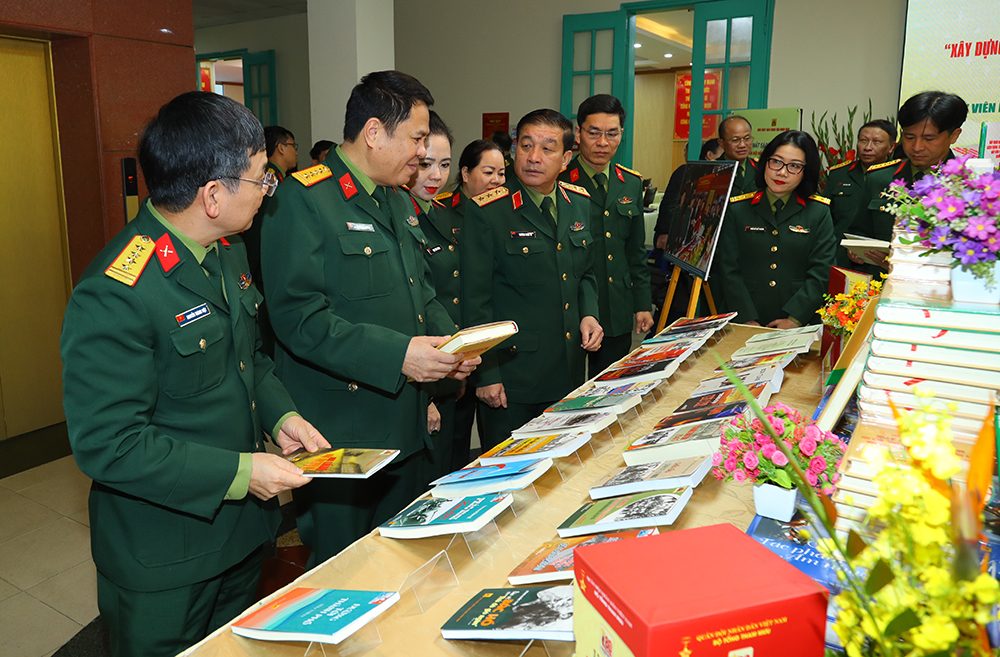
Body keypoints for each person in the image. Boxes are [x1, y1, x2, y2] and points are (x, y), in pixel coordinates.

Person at [60, 91, 330, 657]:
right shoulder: (117, 291)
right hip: (166, 556)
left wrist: (283, 415)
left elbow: (246, 359)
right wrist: (240, 472)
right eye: (261, 178)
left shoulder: (225, 251)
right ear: (212, 195)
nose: (268, 190)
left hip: (240, 534)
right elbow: (110, 444)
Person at [260, 70, 480, 564]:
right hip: (345, 433)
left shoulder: (396, 200)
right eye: (417, 138)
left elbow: (420, 294)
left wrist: (452, 346)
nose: (424, 154)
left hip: (406, 421)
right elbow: (299, 319)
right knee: (345, 571)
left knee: (404, 562)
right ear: (375, 132)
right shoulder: (303, 200)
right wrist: (400, 355)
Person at [461, 108, 603, 448]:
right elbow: (474, 300)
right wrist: (487, 374)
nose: (533, 157)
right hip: (513, 376)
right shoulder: (488, 211)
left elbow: (585, 272)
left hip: (567, 367)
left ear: (567, 157)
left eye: (547, 148)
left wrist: (589, 312)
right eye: (525, 146)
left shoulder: (578, 203)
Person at [559, 94, 652, 375]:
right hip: (571, 306)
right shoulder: (559, 179)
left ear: (621, 134)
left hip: (616, 304)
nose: (602, 143)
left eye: (612, 134)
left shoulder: (630, 183)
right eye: (594, 133)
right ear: (578, 134)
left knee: (610, 385)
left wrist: (642, 303)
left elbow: (635, 250)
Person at [432, 138, 506, 466]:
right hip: (453, 341)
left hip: (490, 343)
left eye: (502, 173)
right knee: (455, 439)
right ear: (465, 173)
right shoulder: (442, 210)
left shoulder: (505, 213)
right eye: (488, 171)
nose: (496, 180)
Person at [717, 130, 836, 328]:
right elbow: (729, 269)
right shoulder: (738, 209)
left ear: (806, 172)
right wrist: (745, 318)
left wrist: (795, 318)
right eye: (776, 162)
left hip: (798, 321)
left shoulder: (818, 212)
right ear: (765, 162)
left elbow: (822, 271)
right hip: (745, 317)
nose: (782, 172)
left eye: (794, 166)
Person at [406, 111, 464, 475]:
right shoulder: (397, 215)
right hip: (416, 371)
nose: (435, 176)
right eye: (426, 164)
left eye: (444, 165)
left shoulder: (447, 214)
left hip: (448, 364)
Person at [852, 91, 967, 244]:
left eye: (928, 138)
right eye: (909, 137)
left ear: (954, 135)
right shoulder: (879, 178)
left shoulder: (968, 184)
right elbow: (859, 232)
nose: (917, 147)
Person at [651, 138, 728, 324]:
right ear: (710, 156)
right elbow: (668, 212)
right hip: (686, 261)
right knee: (678, 312)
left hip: (715, 263)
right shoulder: (686, 174)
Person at [823, 119, 896, 265]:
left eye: (876, 142)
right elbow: (826, 219)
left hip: (882, 262)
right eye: (863, 140)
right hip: (840, 258)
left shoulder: (898, 177)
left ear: (891, 147)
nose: (868, 147)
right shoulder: (839, 174)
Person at [718, 115, 758, 194]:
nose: (742, 145)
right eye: (735, 140)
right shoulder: (712, 171)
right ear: (721, 143)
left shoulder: (760, 168)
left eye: (747, 138)